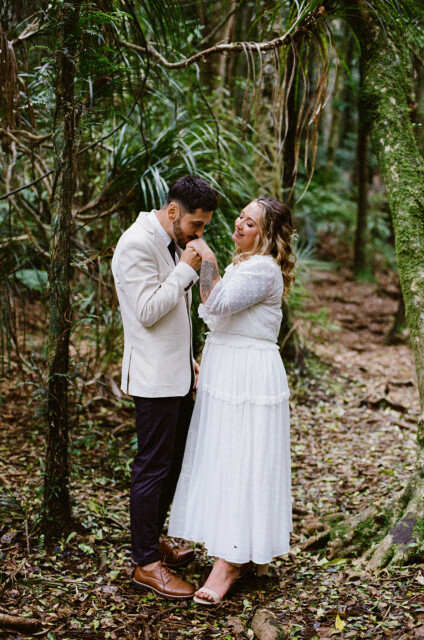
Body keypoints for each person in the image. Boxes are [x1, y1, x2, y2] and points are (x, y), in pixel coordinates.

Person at [168, 197, 295, 605]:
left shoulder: (263, 268)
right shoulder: (244, 264)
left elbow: (215, 301)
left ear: (268, 235)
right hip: (226, 370)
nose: (239, 224)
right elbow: (222, 320)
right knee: (223, 458)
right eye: (241, 217)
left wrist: (206, 257)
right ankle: (236, 547)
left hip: (248, 375)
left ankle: (230, 563)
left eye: (251, 223)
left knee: (243, 462)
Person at [111, 175, 218, 599]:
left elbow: (174, 314)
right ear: (173, 211)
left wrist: (187, 357)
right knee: (152, 466)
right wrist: (186, 270)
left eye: (204, 226)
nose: (199, 234)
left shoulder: (173, 241)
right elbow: (147, 311)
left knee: (172, 464)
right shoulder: (136, 244)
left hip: (177, 373)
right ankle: (145, 564)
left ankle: (152, 540)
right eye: (196, 224)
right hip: (153, 378)